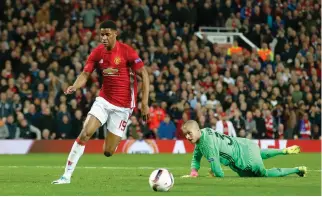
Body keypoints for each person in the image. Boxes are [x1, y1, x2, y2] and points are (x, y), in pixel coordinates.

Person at [52, 20, 150, 184]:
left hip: (123, 107)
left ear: (115, 34)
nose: (104, 38)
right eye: (101, 34)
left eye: (107, 34)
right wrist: (74, 86)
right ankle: (66, 176)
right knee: (85, 133)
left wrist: (145, 104)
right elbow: (85, 74)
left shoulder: (127, 52)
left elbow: (145, 75)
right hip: (104, 100)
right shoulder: (97, 52)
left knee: (108, 151)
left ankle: (114, 140)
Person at [181, 120, 307, 178]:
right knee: (259, 153)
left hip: (244, 161)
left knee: (265, 174)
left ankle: (297, 169)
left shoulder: (206, 144)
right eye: (185, 134)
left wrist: (215, 173)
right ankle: (282, 151)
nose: (187, 137)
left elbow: (219, 172)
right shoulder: (204, 132)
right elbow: (196, 155)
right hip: (245, 144)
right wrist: (194, 171)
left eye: (189, 133)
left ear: (197, 130)